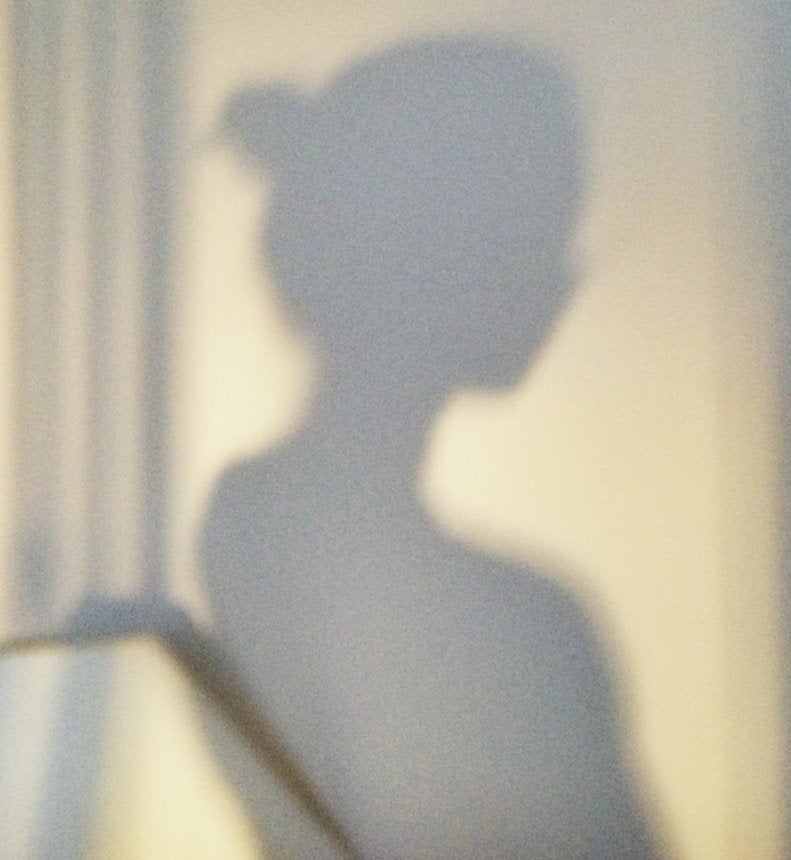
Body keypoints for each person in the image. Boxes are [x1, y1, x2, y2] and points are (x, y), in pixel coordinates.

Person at [203, 37, 659, 858]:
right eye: (538, 230)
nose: (565, 274)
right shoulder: (282, 532)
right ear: (438, 247)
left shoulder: (531, 619)